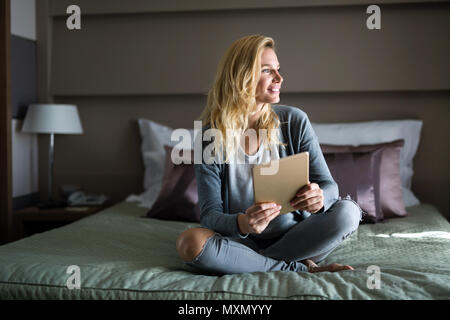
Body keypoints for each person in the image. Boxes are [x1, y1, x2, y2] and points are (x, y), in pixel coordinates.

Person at [176, 35, 362, 274]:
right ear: (241, 77)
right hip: (241, 241)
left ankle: (257, 263)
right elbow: (210, 215)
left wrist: (319, 199)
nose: (279, 78)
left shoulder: (294, 120)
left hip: (299, 237)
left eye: (278, 69)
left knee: (349, 211)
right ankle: (296, 268)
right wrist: (243, 222)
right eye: (267, 71)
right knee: (189, 242)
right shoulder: (209, 137)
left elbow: (329, 187)